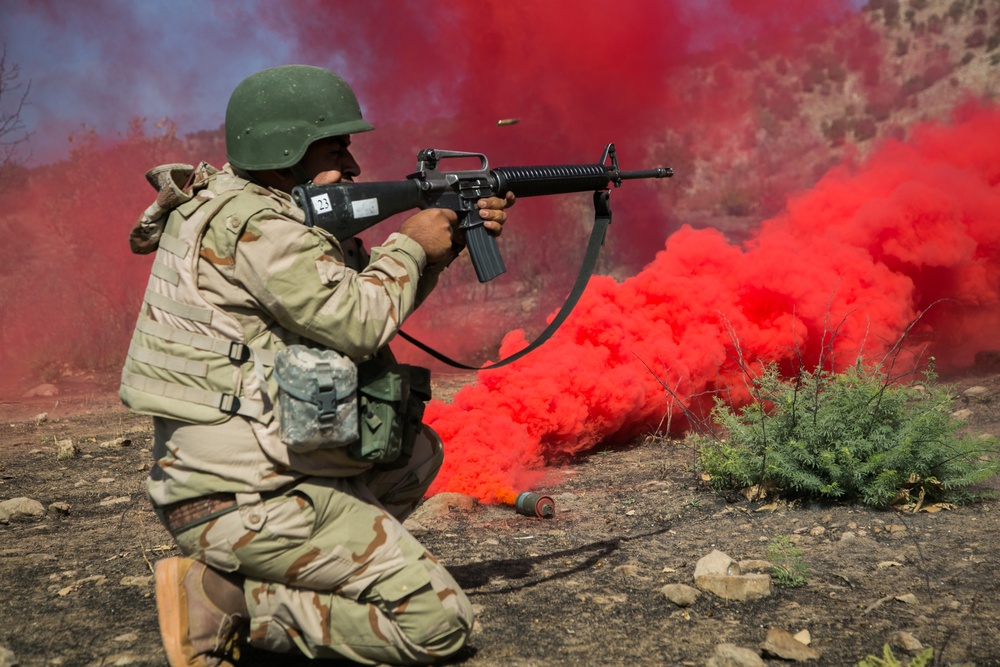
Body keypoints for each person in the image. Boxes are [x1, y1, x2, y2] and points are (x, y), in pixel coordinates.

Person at [120, 65, 514, 666]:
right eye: (336, 150)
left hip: (235, 477)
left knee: (413, 453)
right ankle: (235, 608)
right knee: (440, 625)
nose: (352, 168)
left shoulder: (242, 206)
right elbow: (360, 320)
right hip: (244, 497)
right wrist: (412, 244)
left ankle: (285, 575)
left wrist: (440, 249)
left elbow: (352, 297)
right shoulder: (256, 227)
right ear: (286, 151)